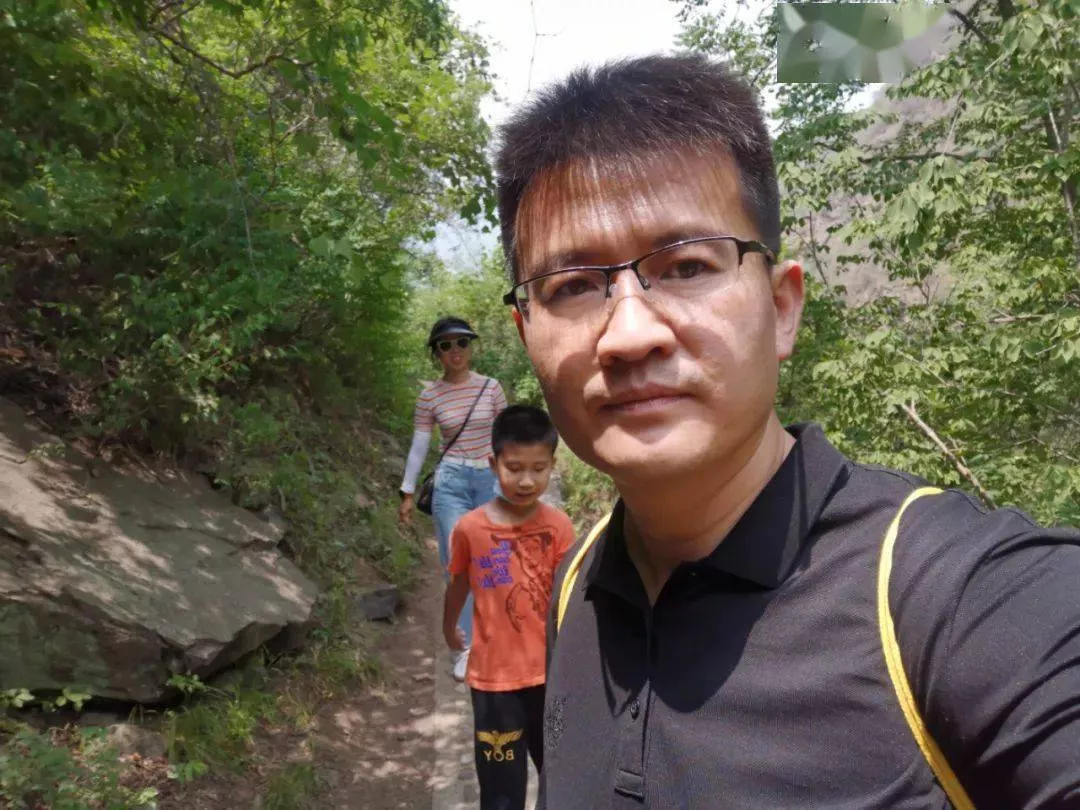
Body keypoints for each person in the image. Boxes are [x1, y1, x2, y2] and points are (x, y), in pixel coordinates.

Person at [493, 54, 1080, 809]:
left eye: (687, 267)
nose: (630, 335)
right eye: (573, 286)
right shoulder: (576, 588)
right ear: (527, 334)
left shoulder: (954, 600)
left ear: (782, 308)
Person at [442, 404, 575, 810]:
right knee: (501, 791)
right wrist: (449, 628)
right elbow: (459, 583)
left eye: (538, 468)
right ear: (493, 464)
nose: (526, 480)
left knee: (562, 777)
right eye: (514, 468)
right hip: (493, 683)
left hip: (550, 677)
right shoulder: (470, 529)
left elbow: (568, 595)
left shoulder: (559, 527)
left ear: (552, 466)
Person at [399, 316, 507, 681]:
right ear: (436, 353)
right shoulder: (430, 396)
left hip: (490, 480)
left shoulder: (491, 388)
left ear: (470, 347)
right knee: (458, 564)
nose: (455, 350)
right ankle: (465, 647)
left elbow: (506, 436)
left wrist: (514, 480)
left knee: (493, 562)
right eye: (445, 345)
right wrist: (407, 492)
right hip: (451, 483)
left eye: (461, 342)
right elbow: (419, 446)